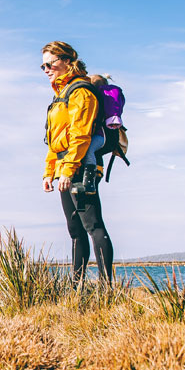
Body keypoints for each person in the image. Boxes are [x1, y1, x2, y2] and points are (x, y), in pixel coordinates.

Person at [41, 41, 114, 283]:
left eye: (50, 63)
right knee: (75, 231)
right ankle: (76, 287)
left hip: (82, 166)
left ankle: (106, 289)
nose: (47, 69)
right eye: (43, 66)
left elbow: (80, 135)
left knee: (93, 226)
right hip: (64, 168)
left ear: (67, 61)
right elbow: (55, 141)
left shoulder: (80, 91)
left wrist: (69, 171)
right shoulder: (59, 95)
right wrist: (49, 172)